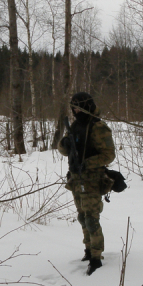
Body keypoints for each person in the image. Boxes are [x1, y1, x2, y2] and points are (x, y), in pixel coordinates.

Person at [58, 92, 116, 275]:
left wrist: (87, 163)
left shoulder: (98, 127)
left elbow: (108, 155)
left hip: (91, 180)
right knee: (82, 217)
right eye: (73, 107)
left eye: (78, 107)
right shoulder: (75, 125)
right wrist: (64, 144)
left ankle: (96, 257)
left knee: (92, 219)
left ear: (86, 106)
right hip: (76, 179)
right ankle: (88, 250)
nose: (75, 110)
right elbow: (63, 150)